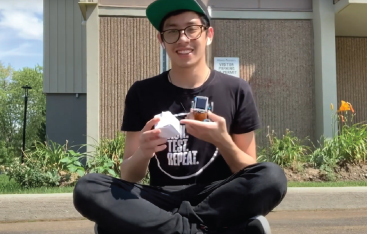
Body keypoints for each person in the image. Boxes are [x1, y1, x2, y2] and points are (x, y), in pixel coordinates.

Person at [73, 0, 287, 233]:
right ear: (161, 40)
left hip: (216, 197)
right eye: (172, 31)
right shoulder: (142, 92)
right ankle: (211, 229)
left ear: (208, 35)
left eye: (192, 29)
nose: (183, 38)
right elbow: (129, 175)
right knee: (88, 187)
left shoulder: (236, 89)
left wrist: (223, 142)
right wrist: (144, 152)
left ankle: (164, 228)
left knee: (272, 176)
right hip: (160, 197)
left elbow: (250, 170)